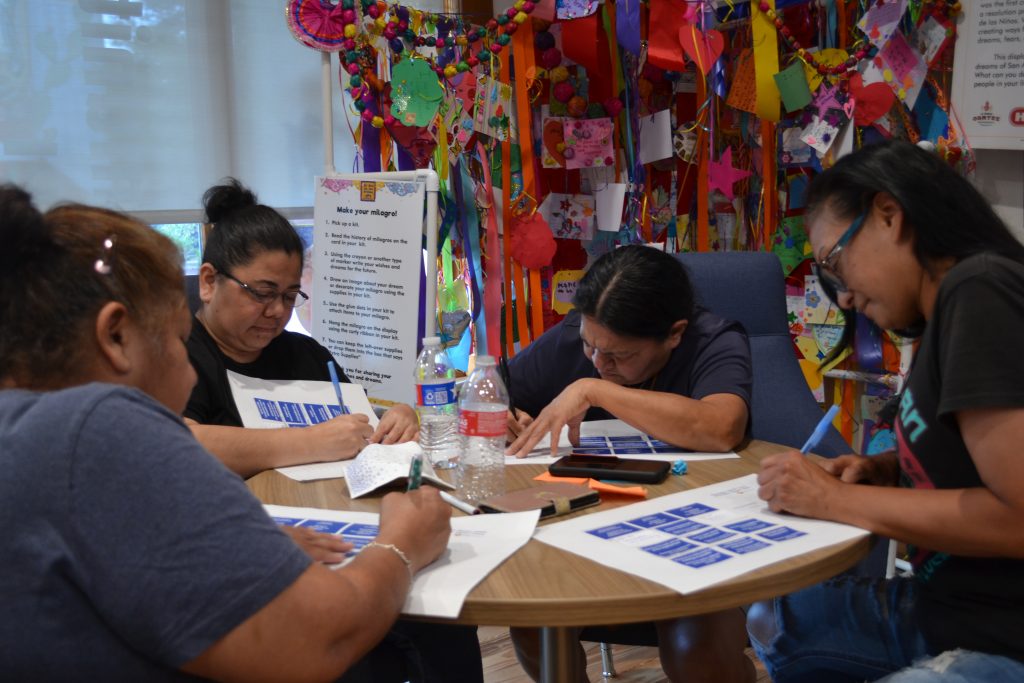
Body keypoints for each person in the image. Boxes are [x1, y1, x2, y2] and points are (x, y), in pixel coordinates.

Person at [0, 185, 454, 681]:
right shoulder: (98, 427)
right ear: (115, 336)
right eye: (176, 342)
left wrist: (227, 543)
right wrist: (402, 543)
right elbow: (314, 639)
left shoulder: (31, 429)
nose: (191, 372)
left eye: (286, 297)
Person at [747, 140, 1024, 682]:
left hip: (1004, 636)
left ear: (888, 215)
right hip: (945, 610)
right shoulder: (940, 311)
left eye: (833, 263)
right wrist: (886, 470)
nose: (842, 297)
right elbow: (973, 454)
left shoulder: (979, 289)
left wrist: (837, 499)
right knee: (770, 616)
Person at [505, 245, 755, 683]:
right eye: (589, 345)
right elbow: (492, 391)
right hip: (582, 533)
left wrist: (594, 391)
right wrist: (498, 411)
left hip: (694, 535)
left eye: (619, 356)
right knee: (532, 620)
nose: (599, 362)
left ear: (674, 334)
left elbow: (721, 427)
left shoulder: (713, 339)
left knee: (694, 644)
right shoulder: (580, 339)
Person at [184, 179, 418, 478]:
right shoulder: (177, 356)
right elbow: (176, 444)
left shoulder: (306, 353)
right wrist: (311, 442)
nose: (278, 311)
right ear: (208, 282)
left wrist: (394, 420)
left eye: (289, 296)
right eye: (261, 292)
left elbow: (357, 424)